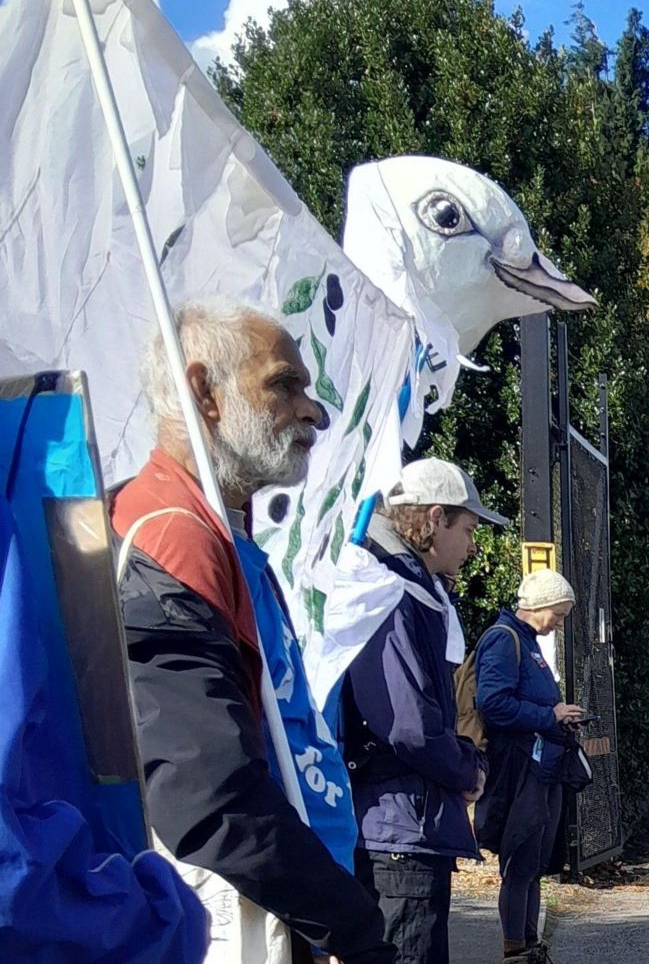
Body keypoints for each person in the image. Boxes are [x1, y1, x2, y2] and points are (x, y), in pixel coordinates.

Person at [113, 300, 396, 962]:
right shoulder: (169, 533)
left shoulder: (218, 534)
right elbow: (206, 795)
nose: (314, 411)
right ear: (202, 392)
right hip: (236, 918)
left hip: (282, 907)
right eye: (283, 383)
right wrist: (349, 927)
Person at [342, 458, 501, 964]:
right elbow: (409, 724)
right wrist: (465, 768)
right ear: (435, 518)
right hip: (400, 828)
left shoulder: (408, 588)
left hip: (401, 823)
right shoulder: (393, 591)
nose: (473, 545)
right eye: (469, 528)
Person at [474, 569, 585, 963]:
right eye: (558, 613)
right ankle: (516, 949)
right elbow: (492, 703)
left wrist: (557, 716)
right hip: (521, 770)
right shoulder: (504, 641)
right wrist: (549, 715)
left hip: (541, 767)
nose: (560, 622)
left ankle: (529, 945)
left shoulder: (527, 642)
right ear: (538, 606)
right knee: (521, 862)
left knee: (534, 864)